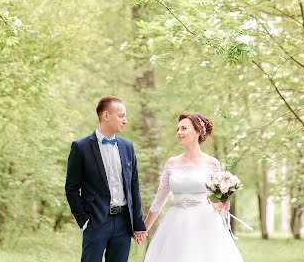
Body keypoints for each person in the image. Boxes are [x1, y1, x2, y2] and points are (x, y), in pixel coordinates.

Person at [143, 112, 245, 262]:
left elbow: (214, 201)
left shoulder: (212, 164)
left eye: (183, 128)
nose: (179, 133)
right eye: (177, 129)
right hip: (175, 224)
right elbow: (159, 200)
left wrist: (222, 204)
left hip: (205, 223)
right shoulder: (171, 163)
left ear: (197, 131)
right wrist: (143, 229)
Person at [65, 96, 148, 262]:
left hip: (124, 223)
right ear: (106, 116)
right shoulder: (81, 147)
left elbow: (133, 187)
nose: (125, 120)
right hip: (96, 221)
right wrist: (84, 220)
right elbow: (71, 188)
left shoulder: (127, 147)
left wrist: (138, 224)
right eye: (121, 115)